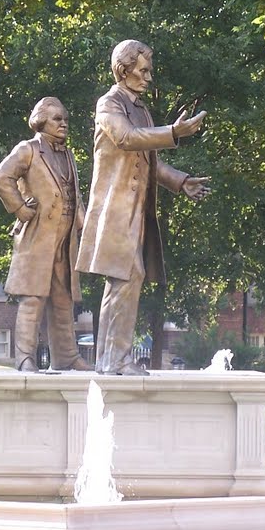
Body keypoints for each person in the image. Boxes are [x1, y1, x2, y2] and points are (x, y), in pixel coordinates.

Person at [76, 40, 210, 375]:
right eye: (144, 69)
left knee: (125, 278)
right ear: (124, 69)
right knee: (128, 274)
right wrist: (173, 132)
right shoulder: (108, 104)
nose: (149, 77)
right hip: (115, 208)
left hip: (136, 209)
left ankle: (111, 359)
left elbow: (150, 160)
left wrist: (180, 181)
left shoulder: (141, 109)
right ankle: (115, 359)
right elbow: (127, 138)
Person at [0, 97, 92, 372]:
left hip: (65, 238)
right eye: (57, 118)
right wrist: (19, 209)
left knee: (63, 300)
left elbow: (74, 193)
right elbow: (0, 176)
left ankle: (67, 356)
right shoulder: (28, 150)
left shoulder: (68, 154)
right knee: (33, 297)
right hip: (38, 236)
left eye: (66, 119)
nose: (63, 124)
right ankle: (24, 357)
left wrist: (83, 223)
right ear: (41, 120)